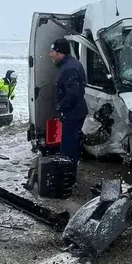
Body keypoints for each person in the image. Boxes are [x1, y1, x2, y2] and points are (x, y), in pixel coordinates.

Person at [49, 38, 88, 177]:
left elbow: (73, 93)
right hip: (74, 112)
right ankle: (69, 173)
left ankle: (67, 177)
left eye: (52, 51)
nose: (50, 55)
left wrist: (60, 107)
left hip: (73, 114)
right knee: (71, 145)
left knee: (68, 147)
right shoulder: (70, 64)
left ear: (61, 53)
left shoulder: (69, 68)